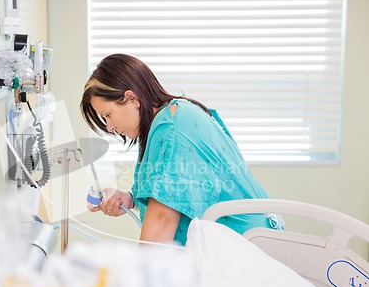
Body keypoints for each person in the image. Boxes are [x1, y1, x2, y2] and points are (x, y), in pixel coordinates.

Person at [80, 54, 283, 246]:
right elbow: (181, 192)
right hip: (247, 239)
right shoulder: (171, 119)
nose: (109, 127)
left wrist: (138, 277)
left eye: (107, 115)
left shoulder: (172, 128)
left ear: (132, 99)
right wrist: (130, 199)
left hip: (246, 246)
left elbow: (163, 217)